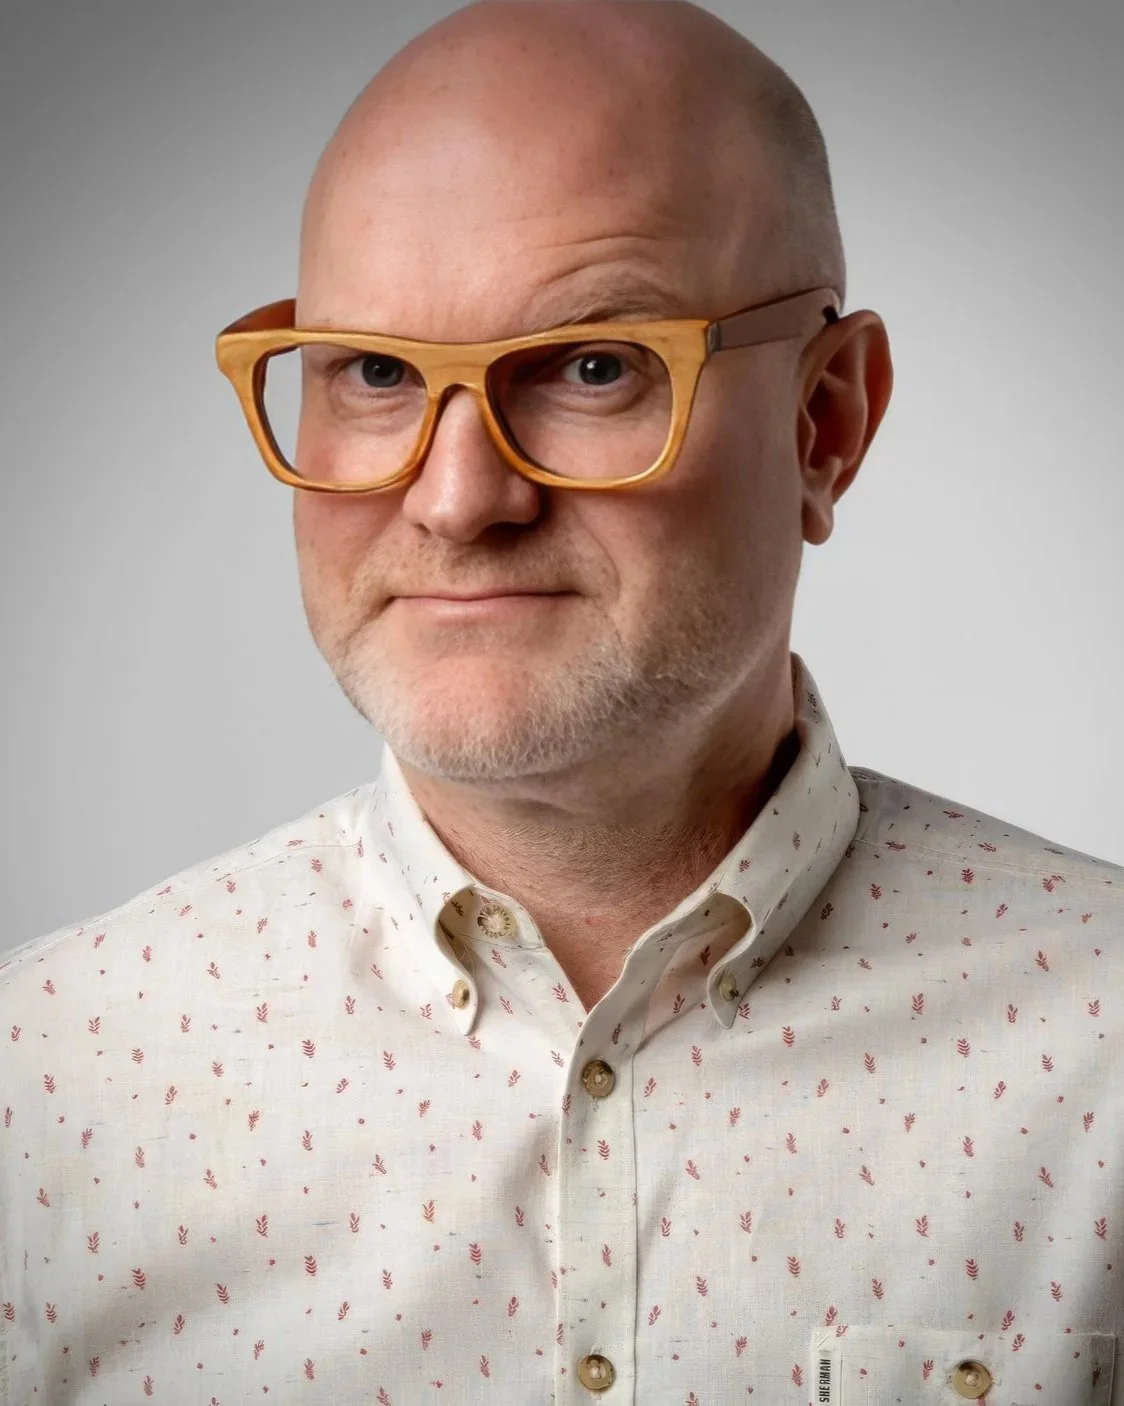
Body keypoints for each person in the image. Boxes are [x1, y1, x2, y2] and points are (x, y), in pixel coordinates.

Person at [1, 1, 1120, 1401]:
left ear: (823, 423)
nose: (460, 497)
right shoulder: (43, 1090)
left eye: (595, 367)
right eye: (376, 371)